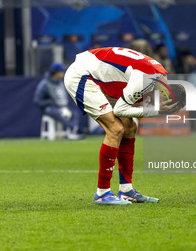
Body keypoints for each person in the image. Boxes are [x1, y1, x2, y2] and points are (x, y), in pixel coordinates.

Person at [64, 47, 185, 205]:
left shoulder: (158, 77)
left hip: (99, 74)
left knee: (130, 127)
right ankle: (102, 193)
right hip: (82, 75)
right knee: (115, 129)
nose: (158, 107)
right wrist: (155, 111)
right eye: (164, 107)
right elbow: (121, 109)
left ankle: (126, 190)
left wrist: (156, 108)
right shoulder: (146, 79)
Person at [34, 63, 83, 140]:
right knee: (57, 112)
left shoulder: (61, 83)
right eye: (62, 72)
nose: (63, 74)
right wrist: (50, 102)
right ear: (56, 73)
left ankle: (73, 131)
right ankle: (74, 129)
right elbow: (37, 101)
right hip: (48, 108)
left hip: (61, 107)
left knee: (74, 112)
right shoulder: (44, 84)